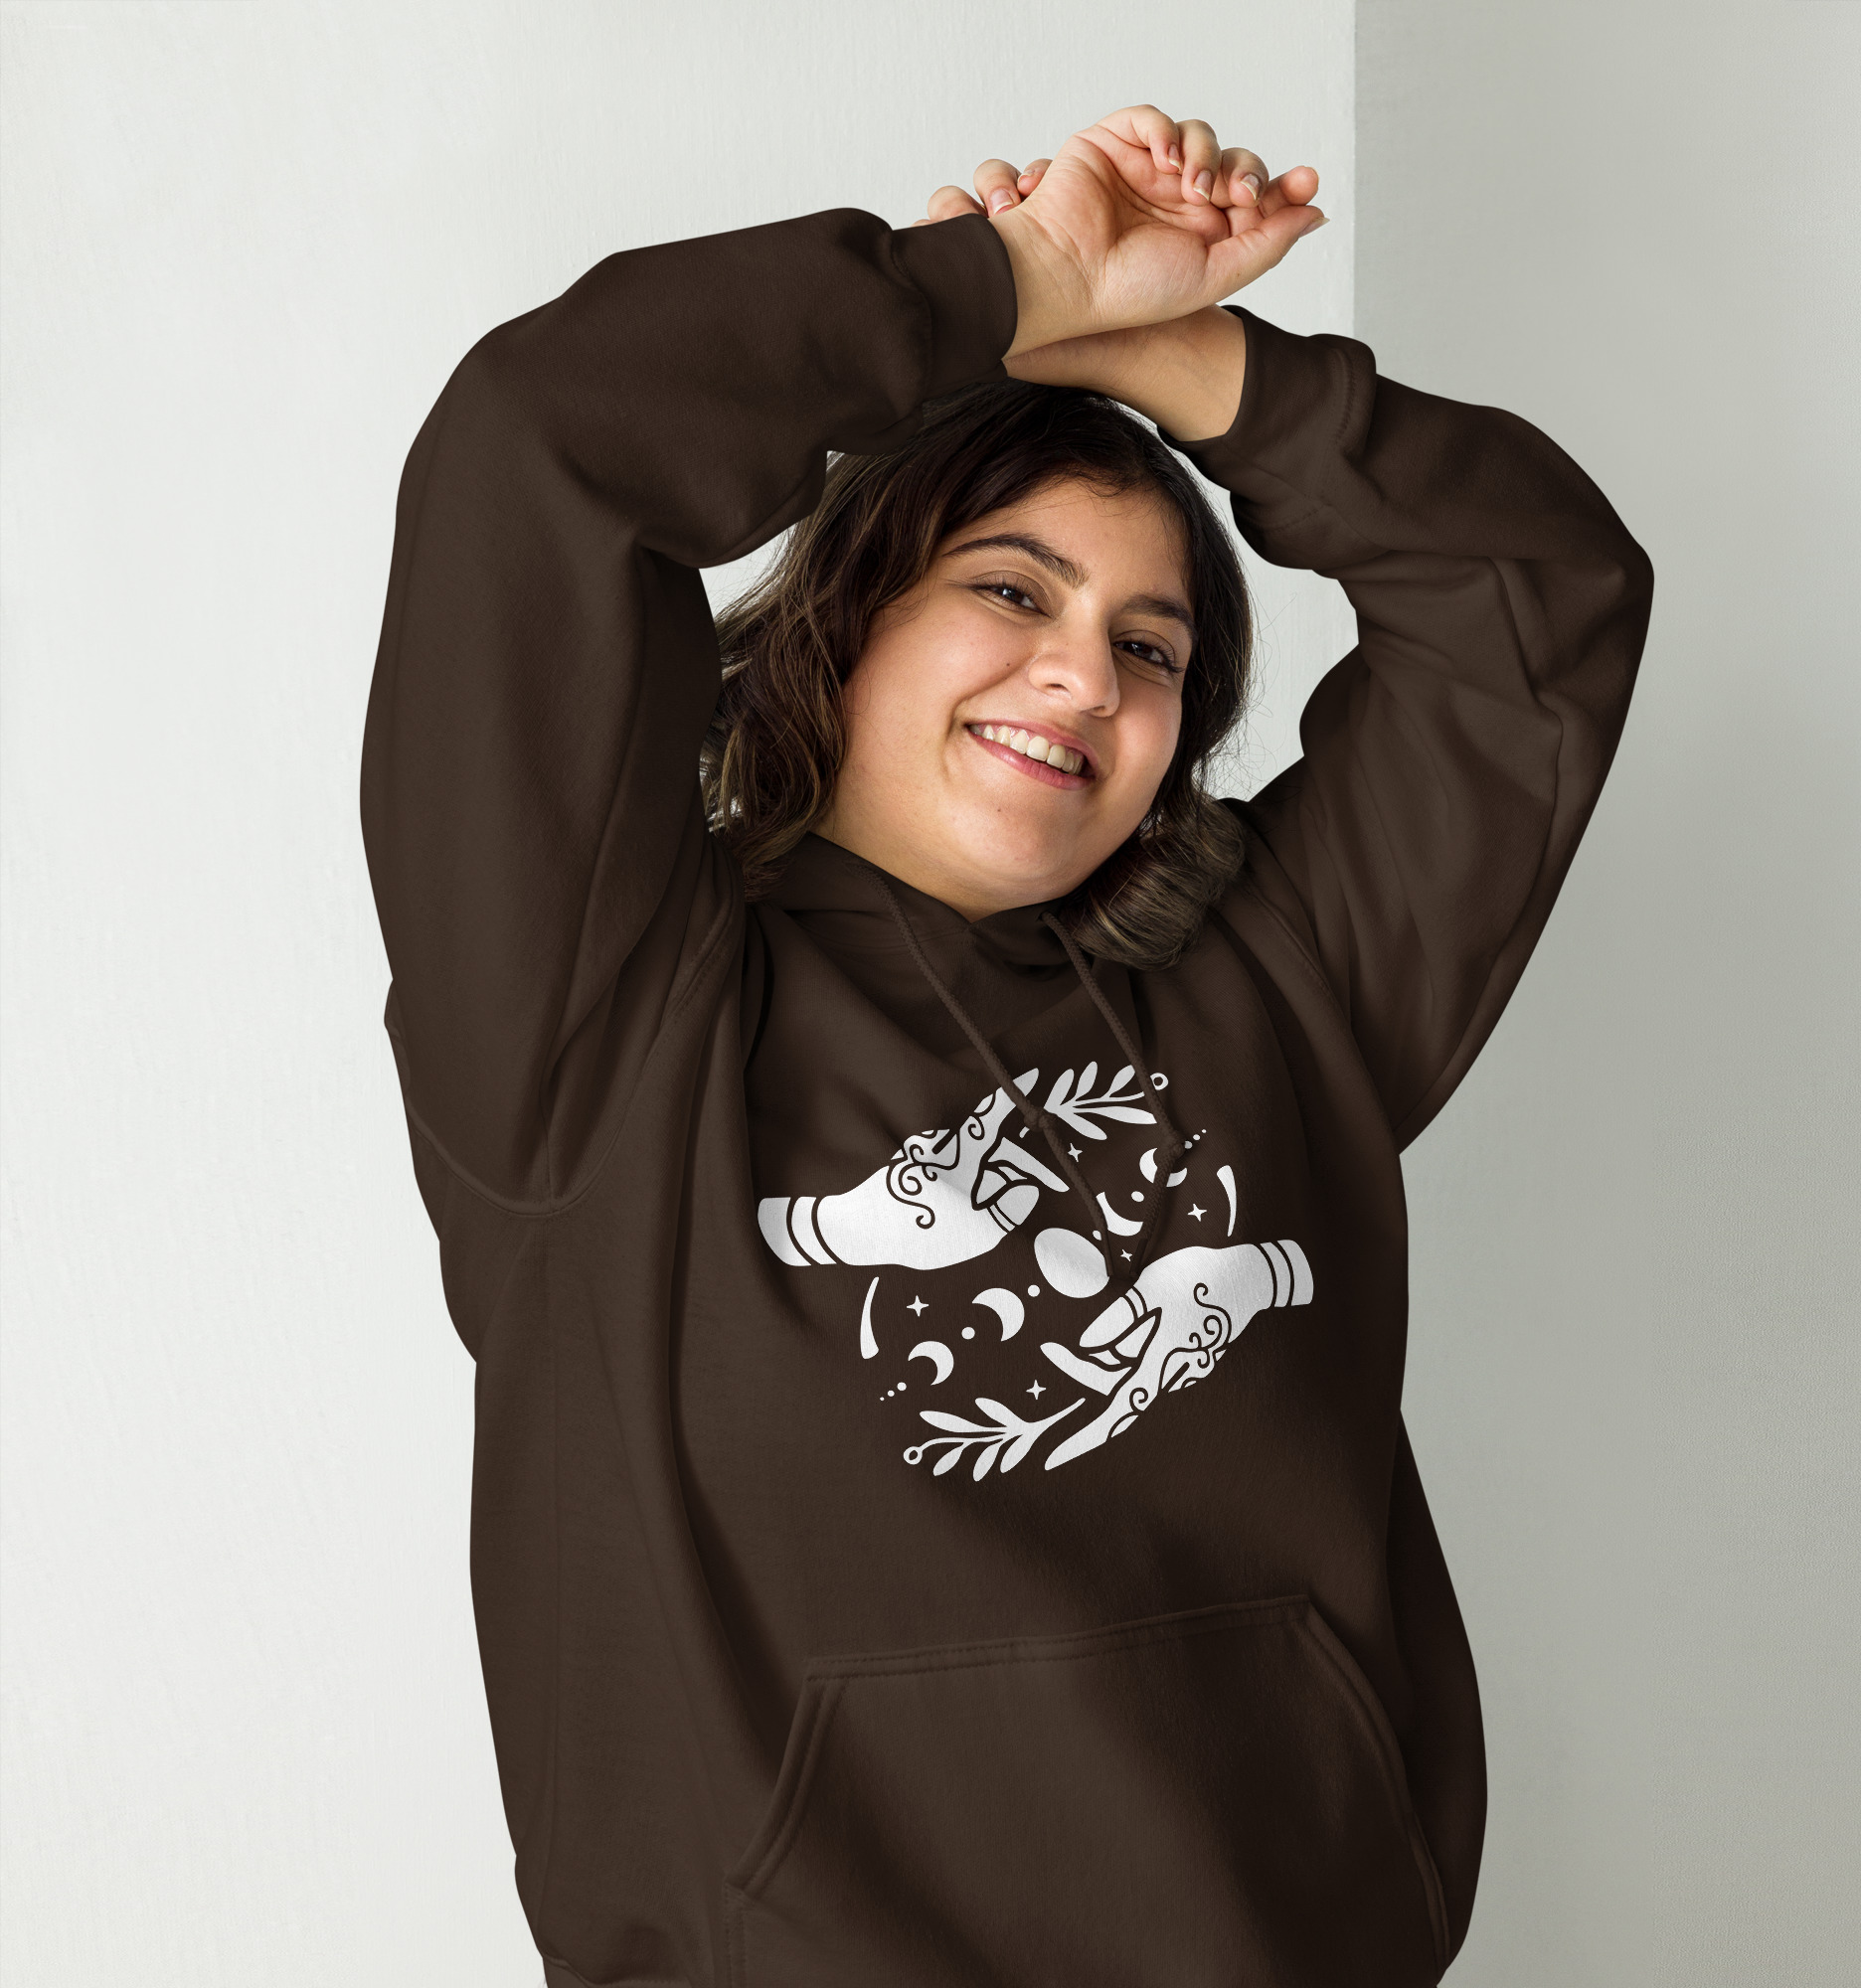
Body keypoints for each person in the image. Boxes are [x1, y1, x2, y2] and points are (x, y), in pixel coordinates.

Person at [360, 104, 1652, 1988]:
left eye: (1154, 647)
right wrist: (1003, 288)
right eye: (1012, 588)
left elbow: (1537, 598)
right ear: (849, 622)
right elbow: (542, 444)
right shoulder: (599, 1020)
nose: (1084, 675)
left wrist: (1188, 364)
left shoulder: (1284, 984)